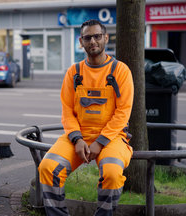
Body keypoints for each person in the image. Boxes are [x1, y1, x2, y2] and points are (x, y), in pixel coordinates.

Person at [38, 19, 134, 216]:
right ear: (81, 41)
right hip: (78, 136)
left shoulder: (121, 71)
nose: (93, 41)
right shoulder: (74, 72)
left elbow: (123, 112)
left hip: (112, 138)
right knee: (48, 168)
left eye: (97, 36)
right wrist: (77, 138)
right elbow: (67, 111)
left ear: (106, 38)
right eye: (87, 37)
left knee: (112, 174)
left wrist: (100, 142)